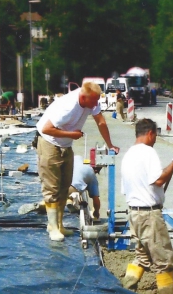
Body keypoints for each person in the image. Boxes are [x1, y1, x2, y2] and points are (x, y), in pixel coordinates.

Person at [36, 81, 119, 241]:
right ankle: (52, 227)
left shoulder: (91, 101)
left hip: (66, 143)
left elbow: (101, 122)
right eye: (93, 101)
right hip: (49, 141)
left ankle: (59, 225)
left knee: (65, 184)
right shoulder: (67, 106)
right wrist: (71, 135)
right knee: (52, 186)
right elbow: (46, 129)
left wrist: (110, 145)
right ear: (83, 97)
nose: (96, 105)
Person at [120, 118, 173, 294]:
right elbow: (158, 181)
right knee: (163, 258)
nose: (155, 140)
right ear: (150, 133)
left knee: (142, 257)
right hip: (149, 215)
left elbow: (136, 187)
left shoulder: (128, 156)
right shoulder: (148, 152)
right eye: (155, 136)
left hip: (133, 213)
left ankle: (127, 288)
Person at [67, 155, 102, 220]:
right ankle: (70, 200)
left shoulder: (77, 158)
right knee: (76, 188)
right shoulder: (92, 175)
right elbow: (96, 199)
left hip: (58, 185)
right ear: (96, 171)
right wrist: (96, 212)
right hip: (71, 189)